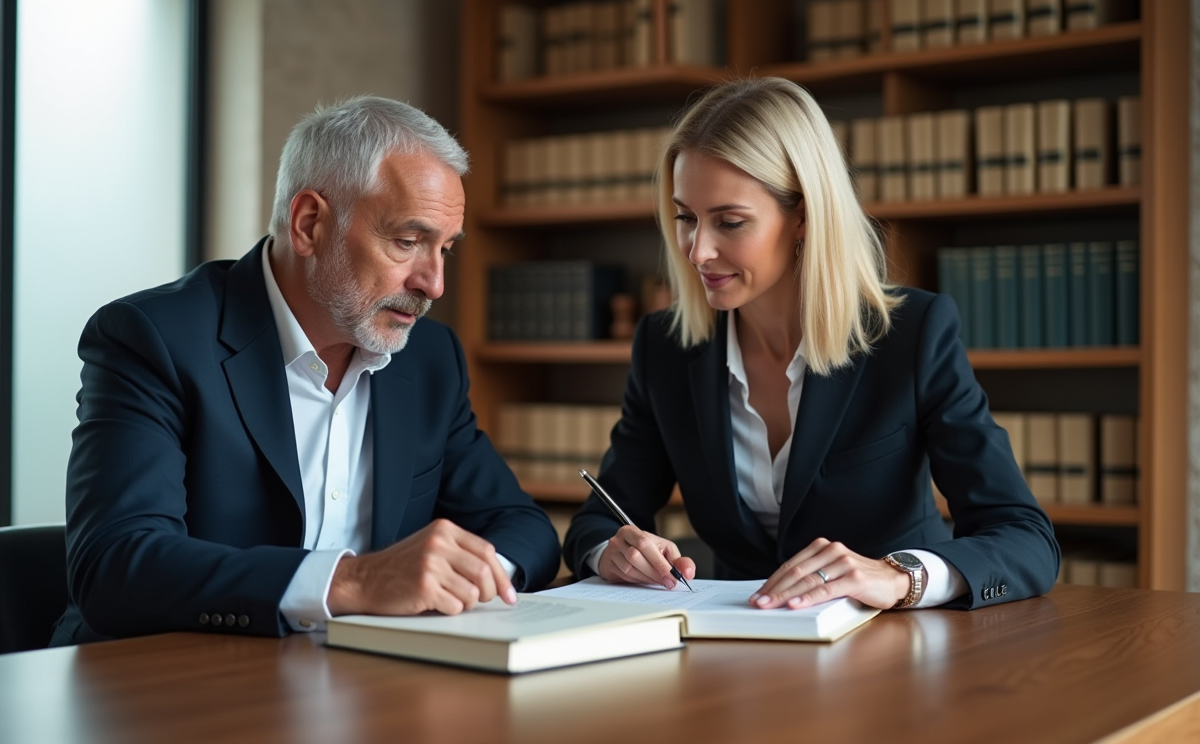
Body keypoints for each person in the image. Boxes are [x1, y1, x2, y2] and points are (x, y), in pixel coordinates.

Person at [52, 96, 560, 645]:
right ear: (309, 224)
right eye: (408, 242)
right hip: (160, 676)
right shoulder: (153, 338)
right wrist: (355, 582)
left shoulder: (431, 358)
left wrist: (468, 579)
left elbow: (523, 527)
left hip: (359, 676)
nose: (433, 284)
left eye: (445, 249)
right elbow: (115, 565)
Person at [563, 77, 1059, 611]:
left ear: (803, 215)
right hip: (736, 640)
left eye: (730, 222)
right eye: (686, 217)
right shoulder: (665, 347)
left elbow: (1025, 538)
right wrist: (612, 552)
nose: (698, 250)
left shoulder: (912, 334)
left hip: (893, 641)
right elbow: (600, 519)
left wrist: (899, 577)